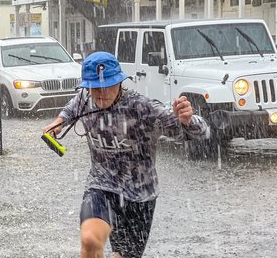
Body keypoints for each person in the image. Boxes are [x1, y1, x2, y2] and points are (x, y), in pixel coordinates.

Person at [42, 51, 209, 258]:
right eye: (95, 87)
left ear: (120, 82)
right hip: (101, 186)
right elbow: (72, 107)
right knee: (90, 241)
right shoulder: (86, 98)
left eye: (107, 86)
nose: (100, 93)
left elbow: (202, 132)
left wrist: (188, 120)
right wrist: (59, 123)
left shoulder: (141, 108)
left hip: (139, 197)